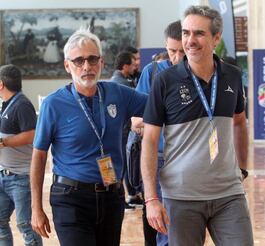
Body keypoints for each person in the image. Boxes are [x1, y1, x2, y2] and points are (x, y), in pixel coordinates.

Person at [141, 6, 253, 245]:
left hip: (229, 195)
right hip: (181, 197)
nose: (190, 41)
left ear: (216, 38)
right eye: (186, 33)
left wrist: (241, 169)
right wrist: (151, 199)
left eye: (198, 33)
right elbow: (149, 140)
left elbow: (240, 123)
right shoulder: (165, 81)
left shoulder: (232, 76)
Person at [30, 28, 147, 246]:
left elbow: (157, 106)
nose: (87, 67)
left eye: (92, 59)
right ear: (67, 65)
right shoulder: (53, 105)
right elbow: (38, 156)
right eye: (79, 61)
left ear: (101, 62)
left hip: (111, 196)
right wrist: (36, 208)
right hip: (70, 199)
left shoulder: (117, 94)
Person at [130, 19, 184, 246]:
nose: (178, 57)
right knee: (165, 227)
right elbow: (135, 121)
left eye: (183, 51)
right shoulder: (152, 73)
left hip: (191, 159)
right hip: (160, 158)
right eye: (172, 50)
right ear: (165, 46)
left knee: (187, 226)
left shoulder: (201, 73)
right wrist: (159, 119)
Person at [0, 64, 42, 246]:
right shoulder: (10, 103)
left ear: (0, 84)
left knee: (26, 226)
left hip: (21, 177)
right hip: (3, 175)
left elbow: (31, 134)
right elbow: (11, 130)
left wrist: (1, 142)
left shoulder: (22, 104)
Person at [109, 51, 139, 209]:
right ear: (125, 66)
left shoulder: (116, 82)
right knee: (119, 163)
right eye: (133, 64)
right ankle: (118, 197)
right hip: (122, 131)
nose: (135, 67)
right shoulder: (121, 84)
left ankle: (123, 197)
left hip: (122, 130)